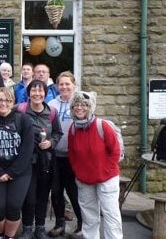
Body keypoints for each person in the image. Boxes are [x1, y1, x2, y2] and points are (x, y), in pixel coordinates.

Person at [68, 91, 123, 239]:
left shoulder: (102, 125)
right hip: (84, 180)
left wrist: (106, 170)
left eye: (84, 104)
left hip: (107, 179)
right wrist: (77, 171)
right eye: (76, 105)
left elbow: (115, 151)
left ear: (90, 107)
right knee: (89, 217)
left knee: (111, 214)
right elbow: (72, 154)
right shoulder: (73, 129)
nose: (79, 108)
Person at [17, 80, 62, 239]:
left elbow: (57, 133)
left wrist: (51, 143)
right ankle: (27, 227)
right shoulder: (20, 110)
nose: (37, 94)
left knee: (43, 196)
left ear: (45, 93)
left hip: (46, 161)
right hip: (26, 162)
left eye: (40, 91)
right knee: (28, 197)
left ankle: (40, 228)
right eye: (34, 91)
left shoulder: (52, 112)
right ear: (28, 93)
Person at [0, 87, 35, 239]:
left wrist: (11, 172)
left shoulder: (23, 119)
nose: (3, 103)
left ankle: (9, 236)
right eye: (0, 100)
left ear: (12, 102)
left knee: (14, 206)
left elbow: (27, 149)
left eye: (7, 100)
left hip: (20, 171)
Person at [48, 71, 83, 238]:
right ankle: (59, 224)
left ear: (74, 84)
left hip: (74, 157)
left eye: (67, 84)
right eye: (61, 84)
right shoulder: (52, 104)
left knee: (74, 192)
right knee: (56, 192)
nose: (64, 87)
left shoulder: (80, 102)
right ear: (57, 86)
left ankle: (82, 225)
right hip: (55, 155)